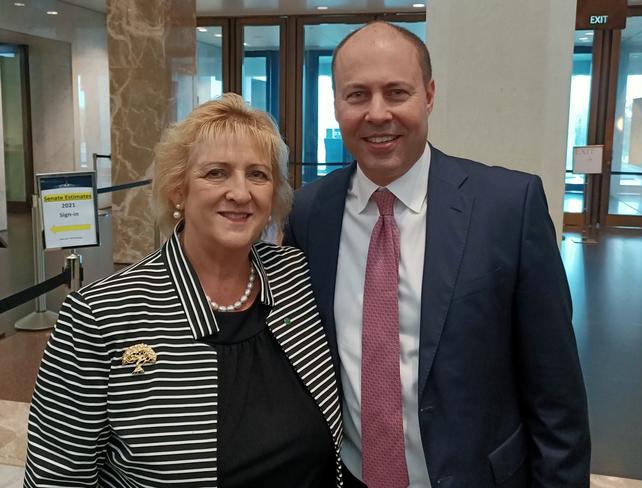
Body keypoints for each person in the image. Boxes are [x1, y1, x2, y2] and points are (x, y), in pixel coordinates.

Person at [284, 21, 590, 487]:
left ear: (429, 95)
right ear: (336, 105)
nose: (378, 113)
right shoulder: (308, 212)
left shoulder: (509, 206)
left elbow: (556, 395)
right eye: (357, 95)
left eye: (397, 92)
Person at [24, 93, 343, 488]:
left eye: (257, 175)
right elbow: (57, 479)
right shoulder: (99, 315)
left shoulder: (294, 276)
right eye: (216, 173)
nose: (241, 193)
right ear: (178, 189)